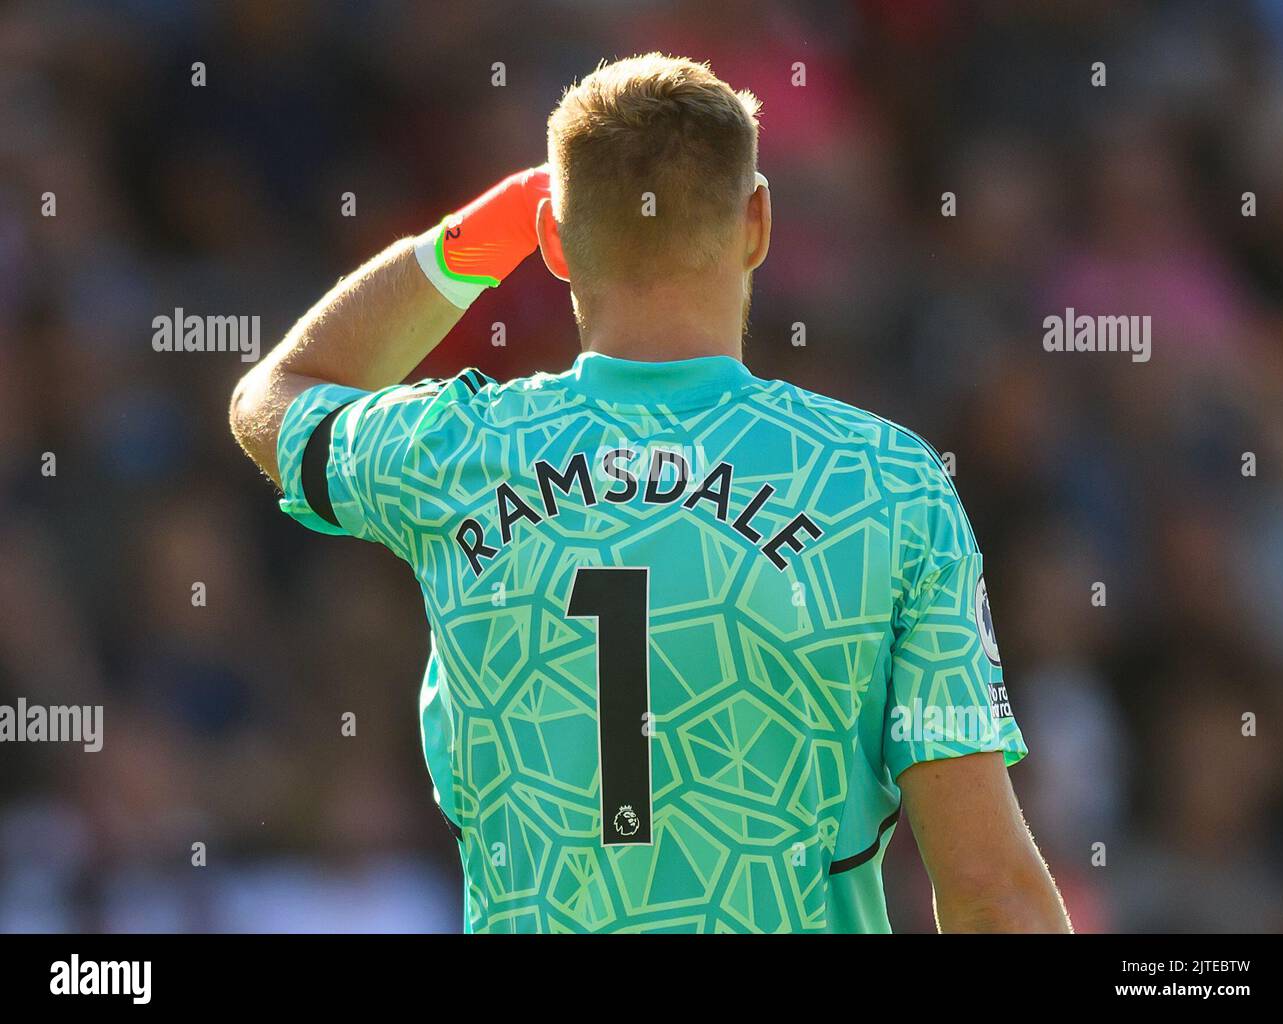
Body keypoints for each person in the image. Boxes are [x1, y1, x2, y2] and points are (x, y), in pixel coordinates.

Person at [230, 52, 1071, 934]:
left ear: (556, 241)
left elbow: (275, 397)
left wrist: (481, 237)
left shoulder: (458, 453)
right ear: (757, 223)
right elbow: (987, 889)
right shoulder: (884, 485)